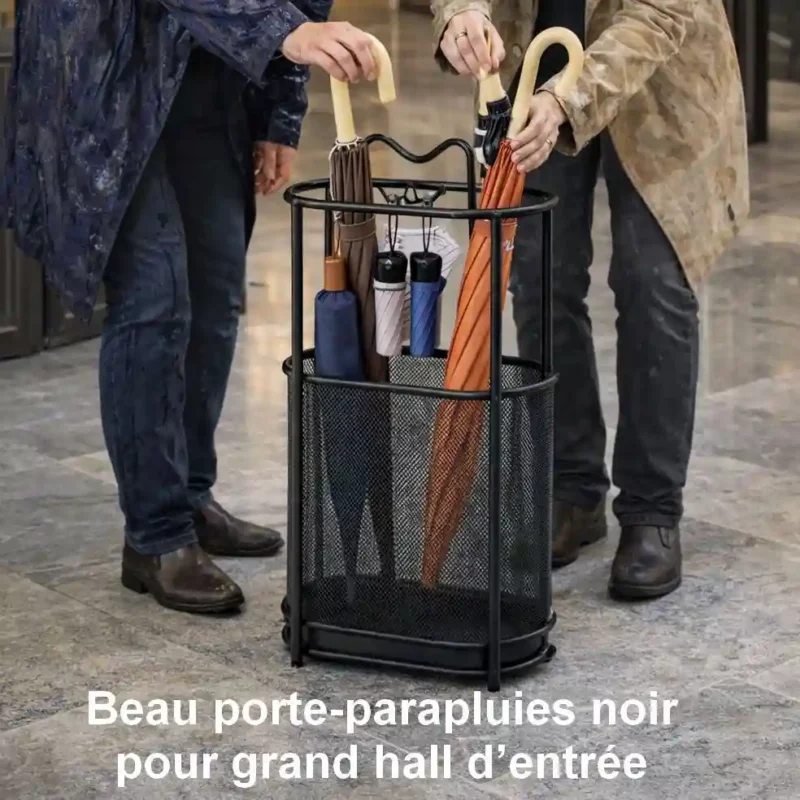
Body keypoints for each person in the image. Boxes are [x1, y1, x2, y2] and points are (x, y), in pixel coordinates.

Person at [1, 2, 379, 614]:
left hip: (212, 73)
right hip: (106, 69)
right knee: (155, 298)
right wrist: (287, 32)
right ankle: (155, 536)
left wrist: (279, 116)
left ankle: (189, 495)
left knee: (215, 288)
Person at [432, 0, 749, 599]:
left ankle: (652, 510)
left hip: (662, 81)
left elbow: (658, 15)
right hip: (539, 67)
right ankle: (570, 490)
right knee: (539, 274)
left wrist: (566, 101)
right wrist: (460, 13)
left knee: (652, 282)